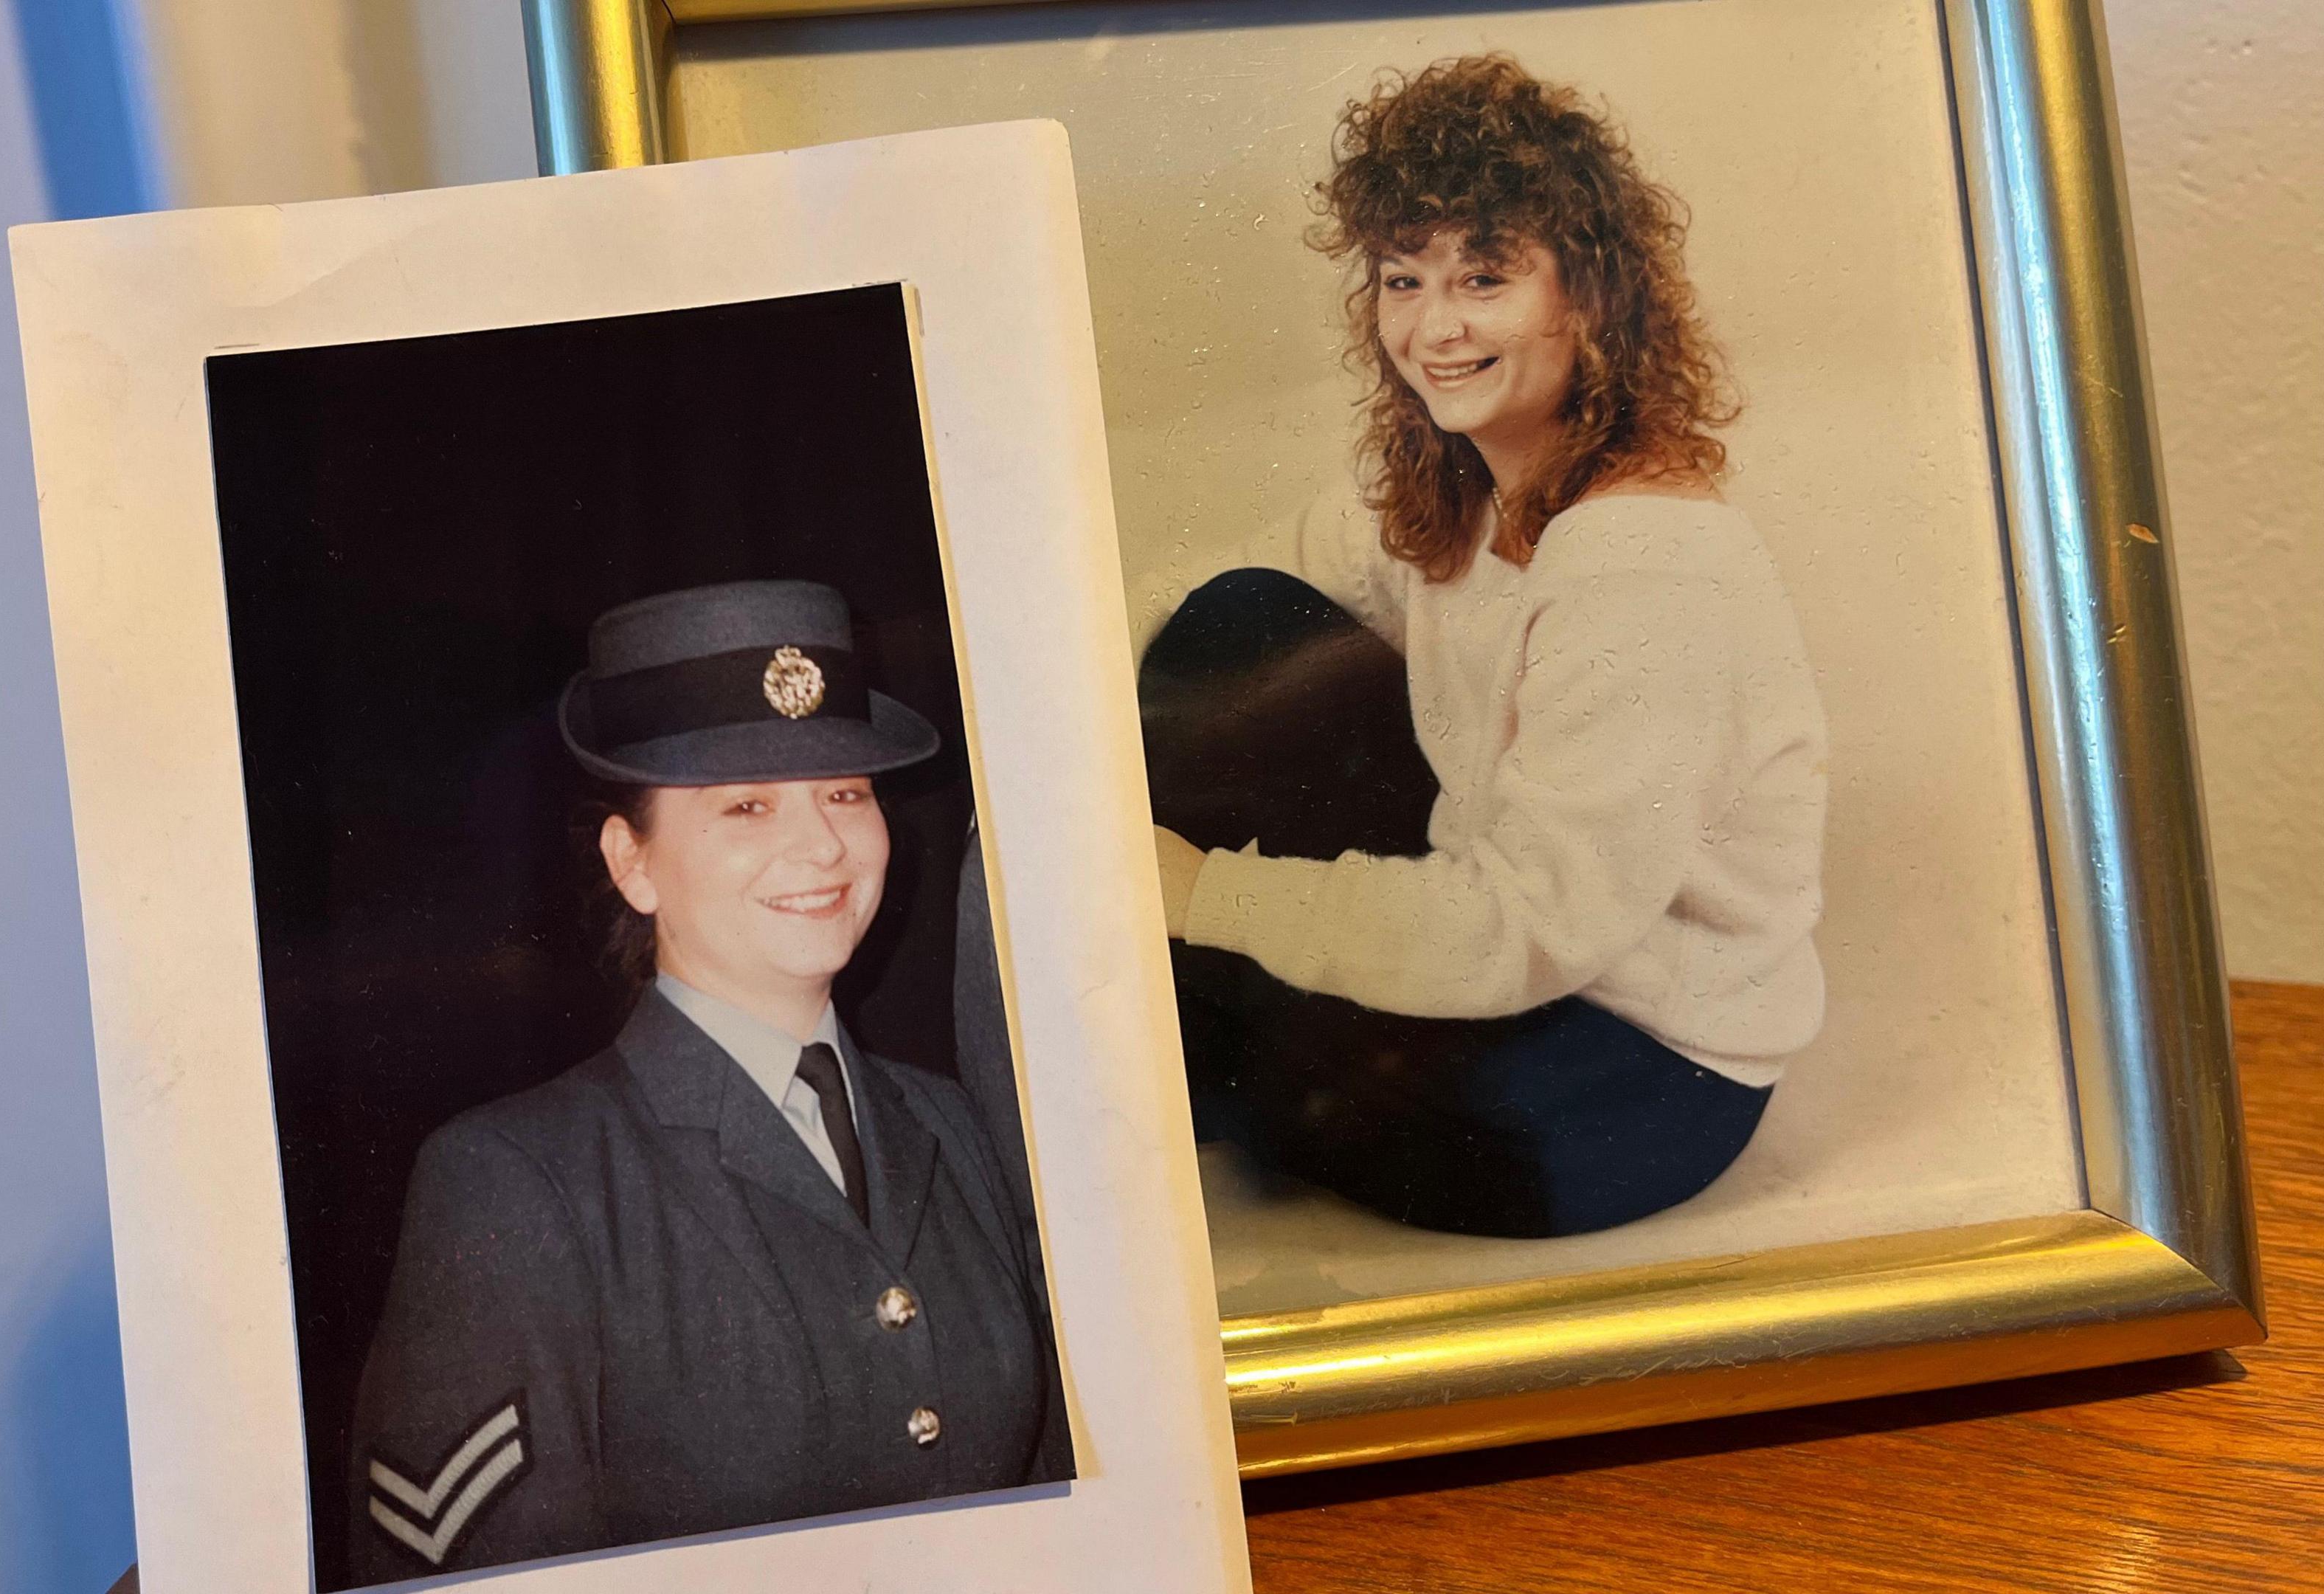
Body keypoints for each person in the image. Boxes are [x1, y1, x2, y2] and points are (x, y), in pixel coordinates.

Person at [1141, 55, 1828, 1240]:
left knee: (1247, 1051)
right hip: (1523, 972)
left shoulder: (1645, 567)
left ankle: (1202, 1050)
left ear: (1592, 297)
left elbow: (1530, 930)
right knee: (1236, 620)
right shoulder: (1458, 487)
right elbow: (1190, 598)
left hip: (1639, 1074)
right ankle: (1200, 1040)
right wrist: (1024, 669)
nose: (1434, 326)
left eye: (1485, 277)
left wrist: (1206, 892)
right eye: (1403, 279)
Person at [346, 579, 1067, 1586]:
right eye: (747, 805)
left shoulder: (948, 1123)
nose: (820, 845)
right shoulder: (515, 1182)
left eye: (847, 793)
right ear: (631, 863)